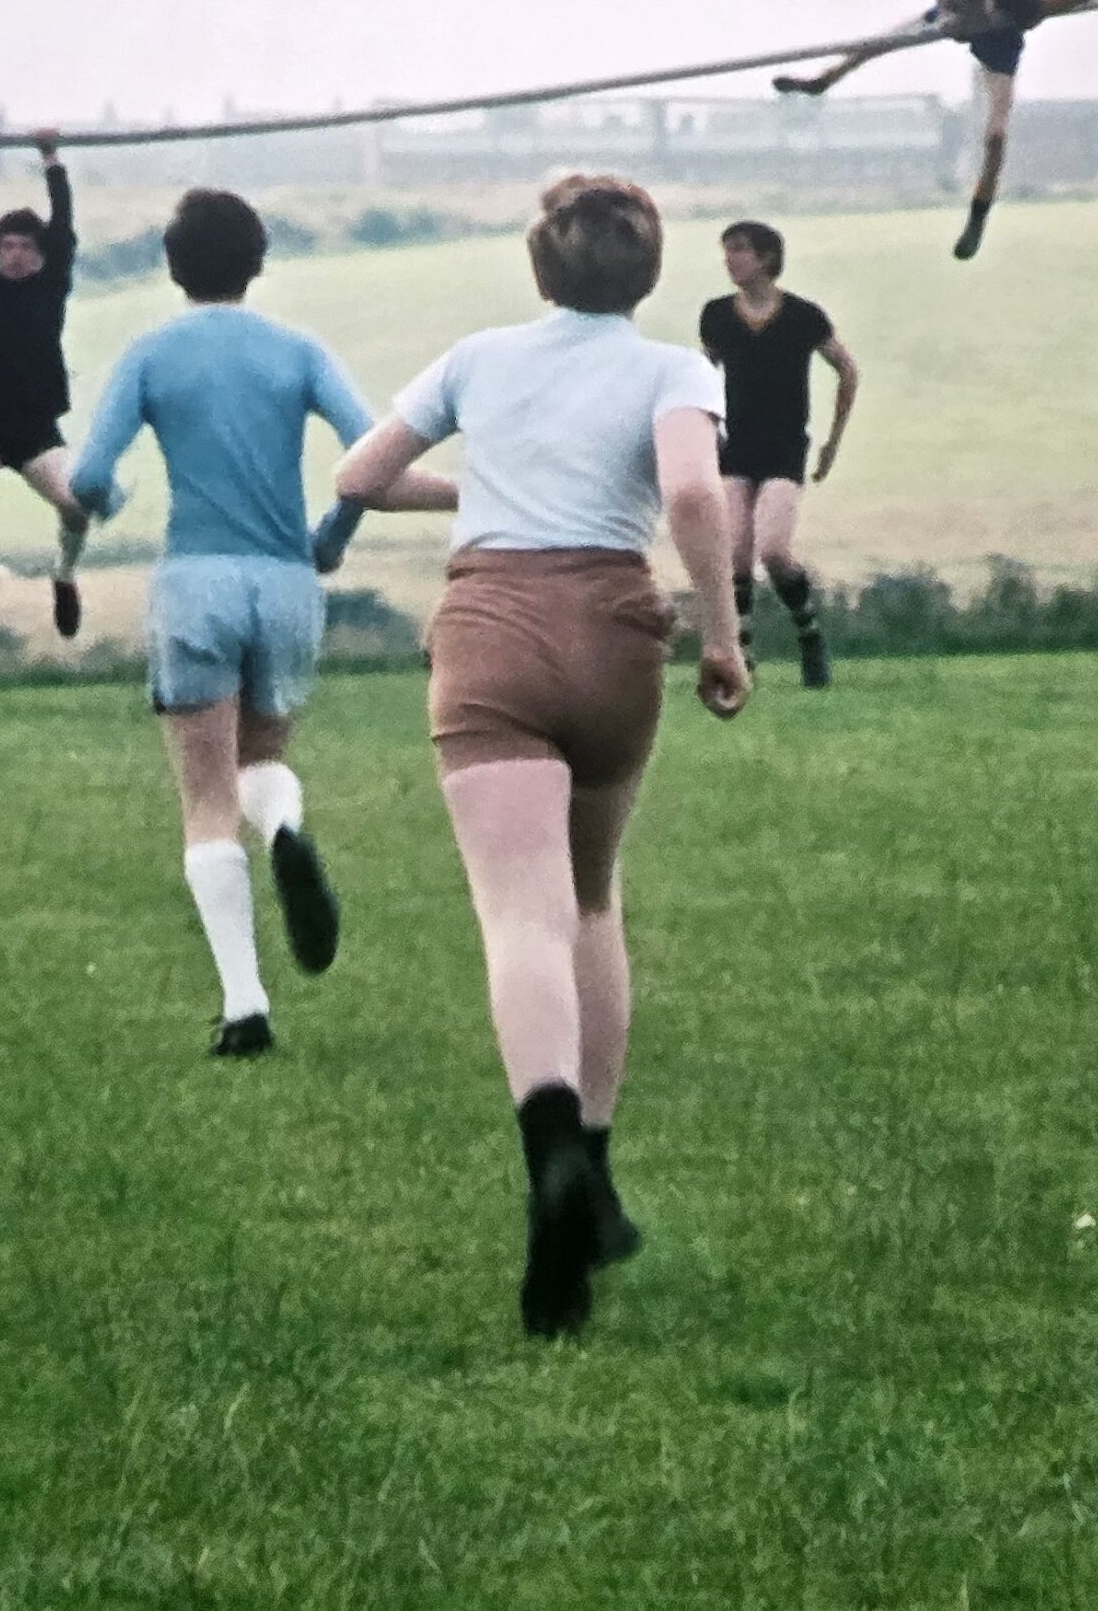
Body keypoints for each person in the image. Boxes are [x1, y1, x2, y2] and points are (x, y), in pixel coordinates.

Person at [333, 174, 750, 1337]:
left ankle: (549, 1153)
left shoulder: (478, 357)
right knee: (590, 897)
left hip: (491, 630)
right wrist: (722, 634)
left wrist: (479, 486)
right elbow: (689, 489)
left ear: (540, 264)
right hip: (612, 629)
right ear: (647, 270)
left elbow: (359, 477)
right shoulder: (674, 368)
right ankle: (595, 1171)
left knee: (520, 916)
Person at [70, 188, 455, 1059]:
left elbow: (89, 476)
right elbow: (370, 463)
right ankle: (282, 825)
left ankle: (245, 1005)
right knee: (261, 762)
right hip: (286, 582)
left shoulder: (150, 353)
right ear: (258, 262)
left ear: (173, 266)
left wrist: (112, 497)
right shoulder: (299, 350)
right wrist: (332, 535)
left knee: (206, 798)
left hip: (196, 581)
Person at [772, 0, 1098, 258]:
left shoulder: (1039, 3)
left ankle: (978, 216)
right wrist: (943, 5)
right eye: (998, 10)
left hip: (999, 45)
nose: (998, 15)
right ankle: (822, 81)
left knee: (996, 138)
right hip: (957, 16)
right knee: (876, 45)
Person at [700, 220, 859, 687]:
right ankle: (742, 654)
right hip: (736, 446)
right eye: (727, 251)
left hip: (785, 448)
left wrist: (832, 441)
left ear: (766, 258)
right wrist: (705, 431)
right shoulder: (717, 316)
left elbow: (847, 370)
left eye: (740, 250)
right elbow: (703, 376)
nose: (730, 260)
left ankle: (809, 635)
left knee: (773, 550)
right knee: (734, 554)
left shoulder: (803, 317)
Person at [0, 127, 88, 634]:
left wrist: (51, 156)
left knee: (76, 505)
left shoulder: (52, 285)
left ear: (39, 252)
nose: (13, 254)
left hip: (36, 429)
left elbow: (65, 226)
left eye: (24, 246)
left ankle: (65, 575)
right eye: (5, 246)